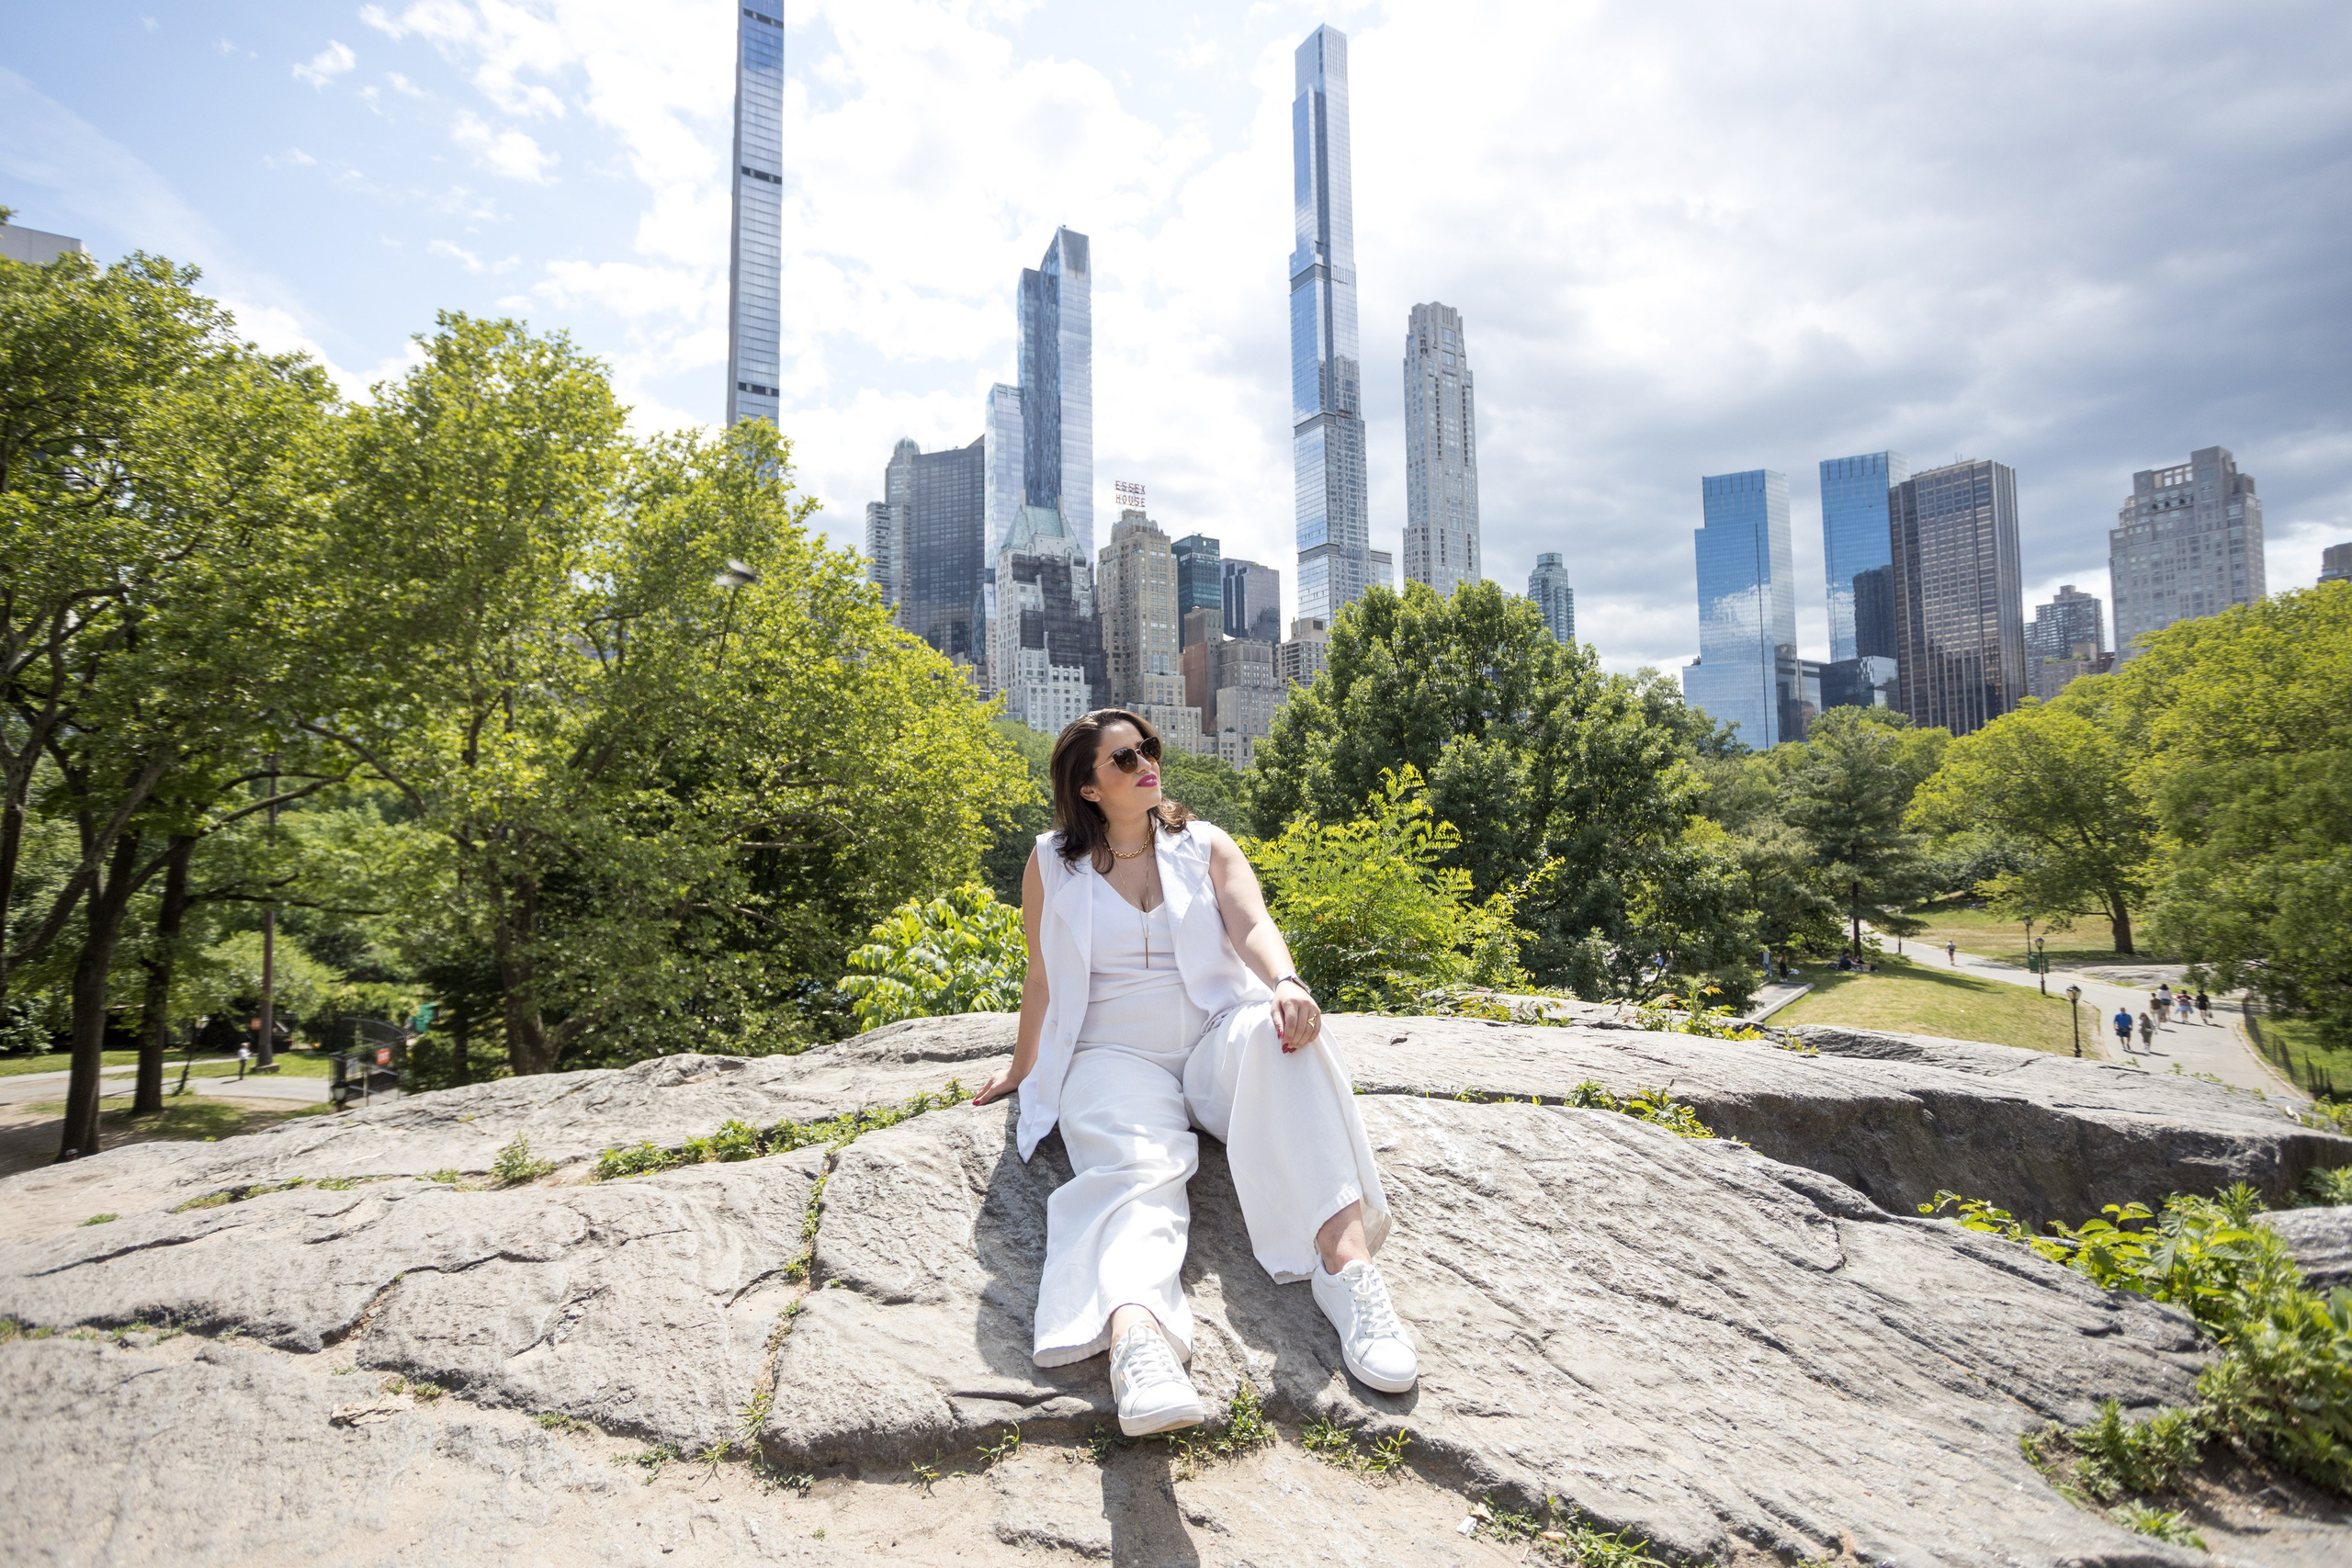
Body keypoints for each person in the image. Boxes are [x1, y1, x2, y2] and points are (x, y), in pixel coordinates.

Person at [973, 709, 1416, 1438]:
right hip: (1110, 1057)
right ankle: (1138, 1342)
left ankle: (1349, 1272)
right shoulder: (1050, 862)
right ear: (1087, 787)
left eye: (1148, 748)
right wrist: (1023, 1069)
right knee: (1134, 1170)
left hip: (1215, 1034)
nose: (1147, 762)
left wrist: (1286, 981)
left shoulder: (1203, 843)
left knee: (1286, 1040)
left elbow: (1251, 924)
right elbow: (1042, 978)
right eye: (1124, 759)